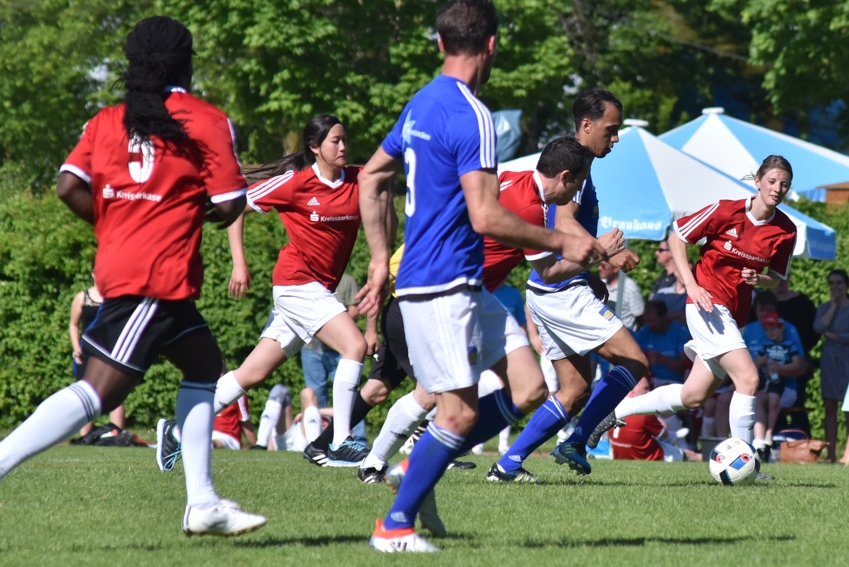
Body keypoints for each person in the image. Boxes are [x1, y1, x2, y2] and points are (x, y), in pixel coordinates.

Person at [0, 17, 266, 536]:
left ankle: (202, 502)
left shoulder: (106, 119)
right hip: (156, 275)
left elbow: (66, 185)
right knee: (98, 391)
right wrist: (178, 214)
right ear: (185, 63)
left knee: (204, 364)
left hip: (136, 267)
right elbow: (232, 200)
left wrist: (119, 222)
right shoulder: (208, 119)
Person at [355, 0, 602, 552]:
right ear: (491, 45)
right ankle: (395, 523)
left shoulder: (419, 105)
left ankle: (421, 464)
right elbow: (485, 215)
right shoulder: (474, 114)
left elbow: (371, 178)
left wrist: (376, 257)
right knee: (460, 411)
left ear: (441, 44)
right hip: (440, 283)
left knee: (531, 385)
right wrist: (563, 239)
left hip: (456, 280)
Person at [354, 136, 596, 484]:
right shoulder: (531, 208)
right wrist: (596, 253)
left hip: (464, 290)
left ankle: (387, 463)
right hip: (446, 292)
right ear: (566, 177)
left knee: (508, 388)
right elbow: (549, 272)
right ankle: (389, 463)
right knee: (435, 394)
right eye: (577, 185)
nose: (575, 196)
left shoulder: (514, 176)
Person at [156, 115, 376, 471]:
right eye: (335, 141)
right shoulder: (295, 183)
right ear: (314, 148)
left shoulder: (358, 178)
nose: (343, 147)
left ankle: (176, 434)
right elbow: (236, 204)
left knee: (250, 374)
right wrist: (239, 263)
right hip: (296, 285)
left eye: (344, 139)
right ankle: (338, 441)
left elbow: (391, 174)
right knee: (355, 346)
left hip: (317, 290)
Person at [491, 87, 647, 483]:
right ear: (587, 125)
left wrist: (592, 270)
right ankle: (577, 441)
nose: (615, 139)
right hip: (561, 291)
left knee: (575, 390)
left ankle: (507, 464)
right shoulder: (571, 170)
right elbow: (562, 226)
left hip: (550, 290)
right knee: (634, 362)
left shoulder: (575, 164)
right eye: (611, 131)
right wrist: (605, 254)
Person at [607, 155, 798, 471]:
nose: (778, 188)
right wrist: (691, 285)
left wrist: (758, 278)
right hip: (706, 305)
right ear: (758, 182)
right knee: (748, 379)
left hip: (731, 316)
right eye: (772, 181)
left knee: (693, 396)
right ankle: (746, 465)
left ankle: (622, 409)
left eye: (784, 184)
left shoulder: (785, 231)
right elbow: (677, 237)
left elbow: (776, 277)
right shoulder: (726, 210)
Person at [300, 273, 368, 445]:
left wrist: (333, 324)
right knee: (315, 394)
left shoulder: (346, 280)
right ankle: (320, 440)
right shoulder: (308, 277)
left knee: (349, 392)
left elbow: (354, 309)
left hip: (340, 346)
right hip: (311, 348)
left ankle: (358, 439)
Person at [70, 274, 126, 436]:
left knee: (115, 391)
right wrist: (76, 348)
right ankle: (85, 437)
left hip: (111, 350)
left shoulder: (116, 297)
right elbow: (73, 324)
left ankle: (118, 436)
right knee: (86, 391)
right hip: (86, 351)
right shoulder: (82, 297)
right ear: (93, 273)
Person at [752, 311, 805, 458]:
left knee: (773, 401)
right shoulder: (765, 344)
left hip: (784, 384)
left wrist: (779, 368)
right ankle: (759, 442)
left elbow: (797, 365)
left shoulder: (789, 345)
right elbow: (756, 364)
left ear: (781, 328)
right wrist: (760, 363)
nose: (770, 333)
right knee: (758, 402)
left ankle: (769, 433)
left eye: (773, 328)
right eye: (767, 330)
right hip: (768, 384)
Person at [609, 377, 700, 462]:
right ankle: (707, 457)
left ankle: (675, 438)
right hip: (647, 456)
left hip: (619, 455)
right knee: (689, 455)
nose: (649, 392)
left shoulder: (613, 405)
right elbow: (662, 433)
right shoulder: (641, 412)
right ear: (632, 389)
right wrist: (662, 423)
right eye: (646, 388)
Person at [813, 269, 849, 463]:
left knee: (848, 409)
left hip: (847, 361)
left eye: (839, 282)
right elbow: (818, 328)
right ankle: (831, 454)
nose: (835, 286)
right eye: (832, 283)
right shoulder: (825, 307)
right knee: (830, 407)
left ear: (846, 285)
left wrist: (834, 336)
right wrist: (833, 307)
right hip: (830, 361)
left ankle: (847, 454)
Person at [254, 384, 332, 451]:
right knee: (279, 389)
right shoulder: (309, 418)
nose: (322, 420)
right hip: (291, 438)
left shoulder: (335, 430)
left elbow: (341, 413)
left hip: (311, 439)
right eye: (321, 418)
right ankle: (261, 444)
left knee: (308, 392)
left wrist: (315, 412)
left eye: (326, 419)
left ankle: (314, 449)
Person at [599, 259, 645, 331]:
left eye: (603, 266)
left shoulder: (630, 288)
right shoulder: (600, 285)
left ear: (616, 269)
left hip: (624, 335)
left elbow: (640, 318)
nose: (599, 268)